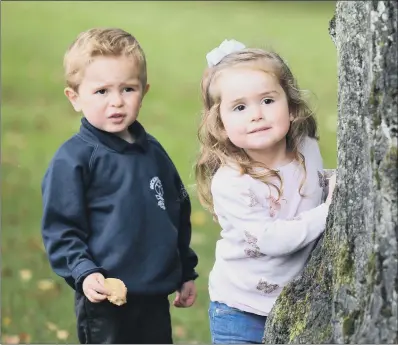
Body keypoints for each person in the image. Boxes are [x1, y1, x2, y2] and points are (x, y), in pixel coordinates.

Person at [41, 27, 199, 344]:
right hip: (105, 299)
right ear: (75, 97)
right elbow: (62, 229)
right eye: (101, 92)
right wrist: (84, 272)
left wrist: (185, 272)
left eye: (128, 89)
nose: (116, 102)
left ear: (144, 90)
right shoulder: (73, 160)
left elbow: (176, 212)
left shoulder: (153, 153)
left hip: (155, 298)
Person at [194, 39, 336, 344]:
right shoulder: (232, 182)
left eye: (268, 101)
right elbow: (273, 239)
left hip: (299, 303)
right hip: (240, 311)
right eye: (240, 107)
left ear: (291, 104)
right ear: (220, 123)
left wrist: (334, 182)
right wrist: (331, 211)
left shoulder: (306, 150)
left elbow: (313, 186)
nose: (256, 114)